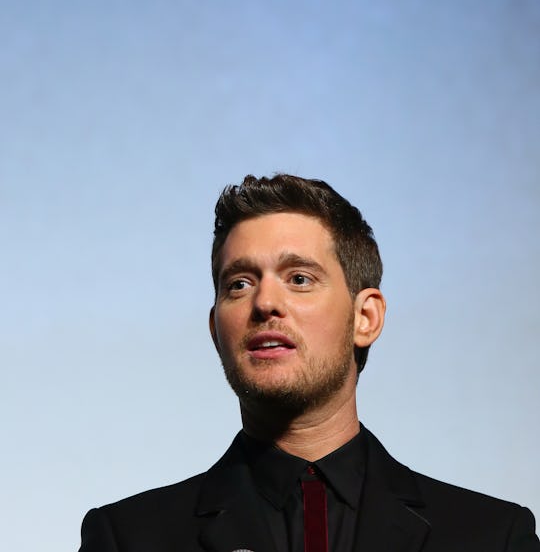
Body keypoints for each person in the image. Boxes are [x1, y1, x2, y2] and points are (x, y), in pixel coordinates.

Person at [78, 173, 539, 551]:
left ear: (366, 317)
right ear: (216, 329)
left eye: (299, 278)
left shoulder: (492, 537)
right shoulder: (127, 539)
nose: (264, 303)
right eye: (238, 283)